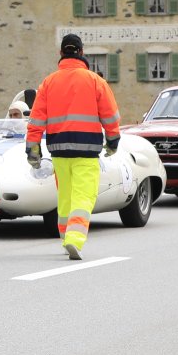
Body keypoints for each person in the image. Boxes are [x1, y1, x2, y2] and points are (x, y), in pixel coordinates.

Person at [26, 34, 122, 260]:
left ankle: (65, 236)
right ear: (81, 52)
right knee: (84, 196)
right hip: (86, 151)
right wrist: (112, 141)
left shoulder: (48, 82)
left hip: (59, 150)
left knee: (66, 196)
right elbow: (110, 116)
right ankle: (75, 239)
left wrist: (33, 148)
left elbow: (36, 119)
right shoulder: (95, 81)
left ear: (61, 53)